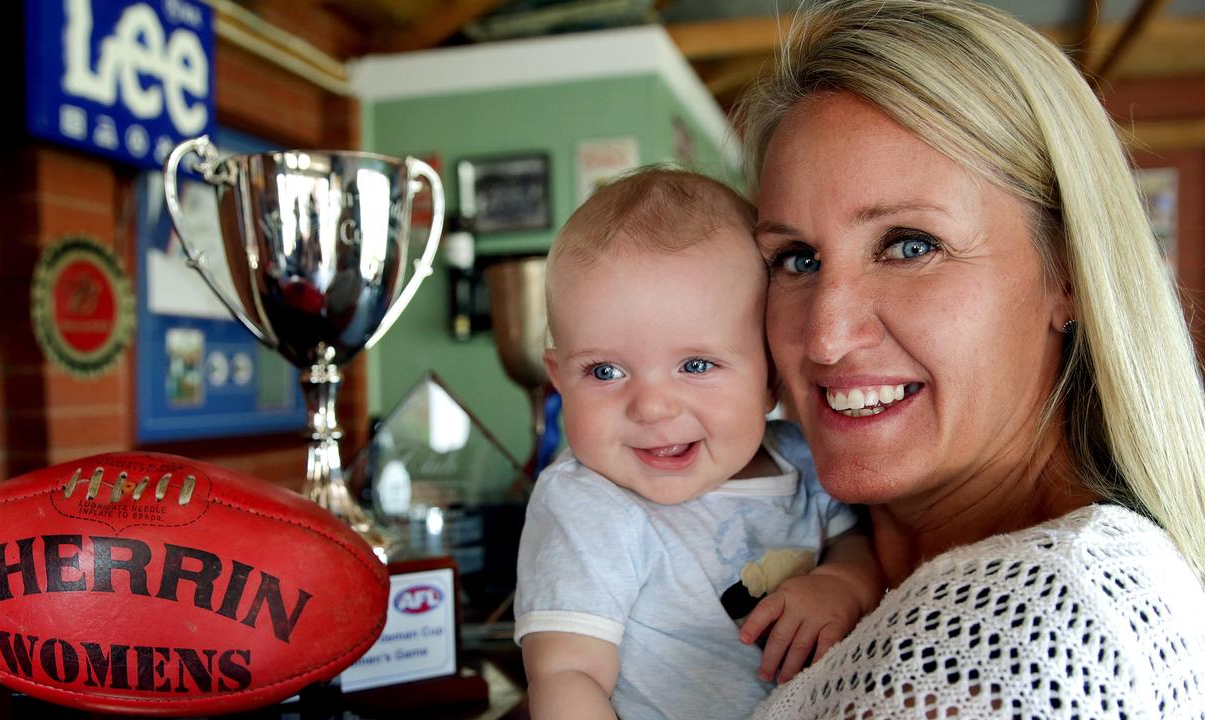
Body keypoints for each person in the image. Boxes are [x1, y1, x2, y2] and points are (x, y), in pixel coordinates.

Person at [735, 1, 1205, 717]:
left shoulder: (1038, 635)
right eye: (796, 258)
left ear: (1069, 273)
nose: (826, 337)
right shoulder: (809, 539)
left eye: (910, 245)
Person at [514, 167, 884, 720]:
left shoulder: (801, 460)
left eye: (696, 365)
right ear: (559, 377)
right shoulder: (587, 503)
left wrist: (841, 581)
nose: (651, 407)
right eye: (605, 371)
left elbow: (856, 543)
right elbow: (569, 675)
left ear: (769, 379)